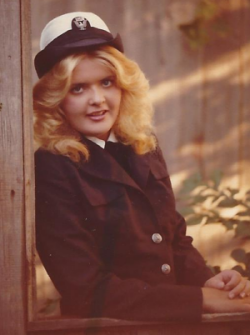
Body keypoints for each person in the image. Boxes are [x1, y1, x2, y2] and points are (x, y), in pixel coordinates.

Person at [34, 12, 250, 321]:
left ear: (122, 86)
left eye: (106, 82)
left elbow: (173, 239)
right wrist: (203, 299)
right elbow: (85, 289)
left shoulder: (142, 145)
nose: (98, 99)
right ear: (57, 99)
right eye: (78, 88)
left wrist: (206, 280)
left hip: (173, 323)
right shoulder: (52, 167)